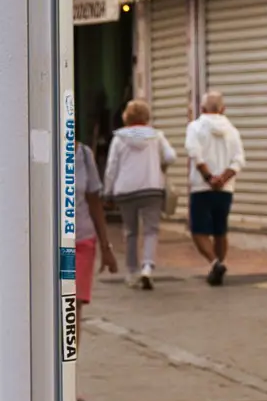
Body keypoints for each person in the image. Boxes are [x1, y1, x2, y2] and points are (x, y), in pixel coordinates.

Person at [103, 100, 175, 289]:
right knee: (151, 230)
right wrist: (160, 167)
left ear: (126, 117)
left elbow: (111, 167)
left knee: (131, 231)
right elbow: (171, 156)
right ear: (147, 117)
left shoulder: (119, 139)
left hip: (125, 190)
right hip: (152, 188)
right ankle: (147, 268)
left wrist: (107, 192)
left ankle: (132, 272)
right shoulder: (157, 136)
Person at [184, 89, 245, 286]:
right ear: (223, 109)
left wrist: (209, 178)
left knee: (198, 231)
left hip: (201, 188)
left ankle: (214, 263)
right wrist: (223, 179)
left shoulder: (194, 127)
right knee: (220, 231)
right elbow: (238, 160)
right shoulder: (233, 130)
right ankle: (218, 267)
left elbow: (195, 155)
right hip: (225, 190)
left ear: (201, 109)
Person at [74, 137, 117, 338]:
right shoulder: (40, 151)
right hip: (48, 245)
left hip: (80, 242)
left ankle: (69, 365)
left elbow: (94, 203)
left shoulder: (83, 154)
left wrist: (106, 247)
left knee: (72, 307)